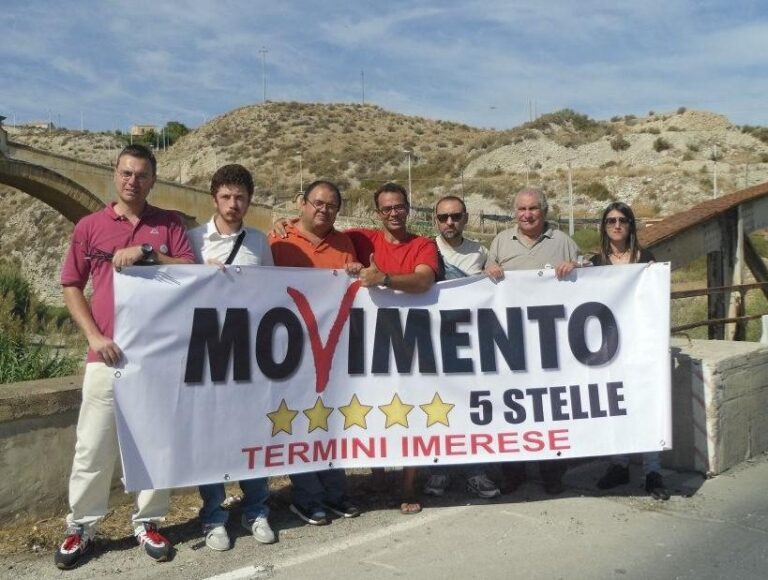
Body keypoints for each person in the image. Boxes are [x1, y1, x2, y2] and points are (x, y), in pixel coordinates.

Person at [56, 144, 195, 570]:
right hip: (107, 357)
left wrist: (150, 255)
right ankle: (82, 527)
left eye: (142, 175)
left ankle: (149, 521)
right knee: (92, 447)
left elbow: (190, 275)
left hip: (156, 359)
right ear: (114, 175)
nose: (133, 181)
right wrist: (95, 337)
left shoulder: (168, 225)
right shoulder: (90, 226)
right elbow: (71, 285)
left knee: (155, 444)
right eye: (126, 173)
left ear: (153, 179)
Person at [186, 164, 276, 550]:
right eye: (226, 196)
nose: (233, 203)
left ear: (249, 201)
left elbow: (273, 291)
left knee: (253, 433)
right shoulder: (192, 241)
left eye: (240, 197)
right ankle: (213, 516)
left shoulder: (259, 241)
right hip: (207, 352)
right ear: (214, 198)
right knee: (212, 437)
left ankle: (257, 510)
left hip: (250, 353)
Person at [269, 180, 362, 525]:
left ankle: (335, 492)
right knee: (298, 424)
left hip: (332, 352)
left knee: (330, 421)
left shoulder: (344, 242)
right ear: (302, 203)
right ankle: (307, 498)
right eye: (317, 203)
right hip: (290, 351)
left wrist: (355, 271)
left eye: (331, 206)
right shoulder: (278, 238)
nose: (323, 210)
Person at [345, 183, 440, 515]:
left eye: (399, 207)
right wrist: (285, 225)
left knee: (411, 410)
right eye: (386, 209)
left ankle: (409, 485)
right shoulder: (361, 238)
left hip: (411, 342)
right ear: (377, 213)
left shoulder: (423, 244)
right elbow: (323, 232)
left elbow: (424, 281)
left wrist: (384, 278)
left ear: (408, 208)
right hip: (372, 341)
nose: (393, 213)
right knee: (376, 406)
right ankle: (379, 477)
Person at [485, 188, 582, 495]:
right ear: (514, 212)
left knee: (548, 409)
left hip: (550, 342)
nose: (527, 215)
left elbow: (592, 278)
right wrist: (489, 270)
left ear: (544, 211)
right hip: (510, 342)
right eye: (522, 209)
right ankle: (513, 472)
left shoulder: (563, 241)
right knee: (511, 409)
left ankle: (552, 472)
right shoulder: (500, 242)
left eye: (533, 209)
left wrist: (576, 267)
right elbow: (483, 281)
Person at [589, 201, 670, 501]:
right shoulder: (596, 263)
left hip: (642, 346)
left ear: (631, 225)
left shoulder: (646, 260)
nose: (617, 225)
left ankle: (652, 471)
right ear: (604, 226)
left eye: (623, 220)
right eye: (610, 221)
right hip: (611, 349)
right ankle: (619, 465)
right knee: (616, 406)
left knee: (647, 406)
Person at [421, 195, 501, 499]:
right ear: (435, 220)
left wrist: (493, 273)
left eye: (455, 216)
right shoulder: (425, 248)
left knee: (471, 408)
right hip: (433, 341)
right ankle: (439, 470)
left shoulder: (481, 252)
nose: (449, 222)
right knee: (438, 408)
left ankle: (475, 472)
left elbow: (498, 288)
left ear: (466, 218)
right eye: (443, 217)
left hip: (471, 343)